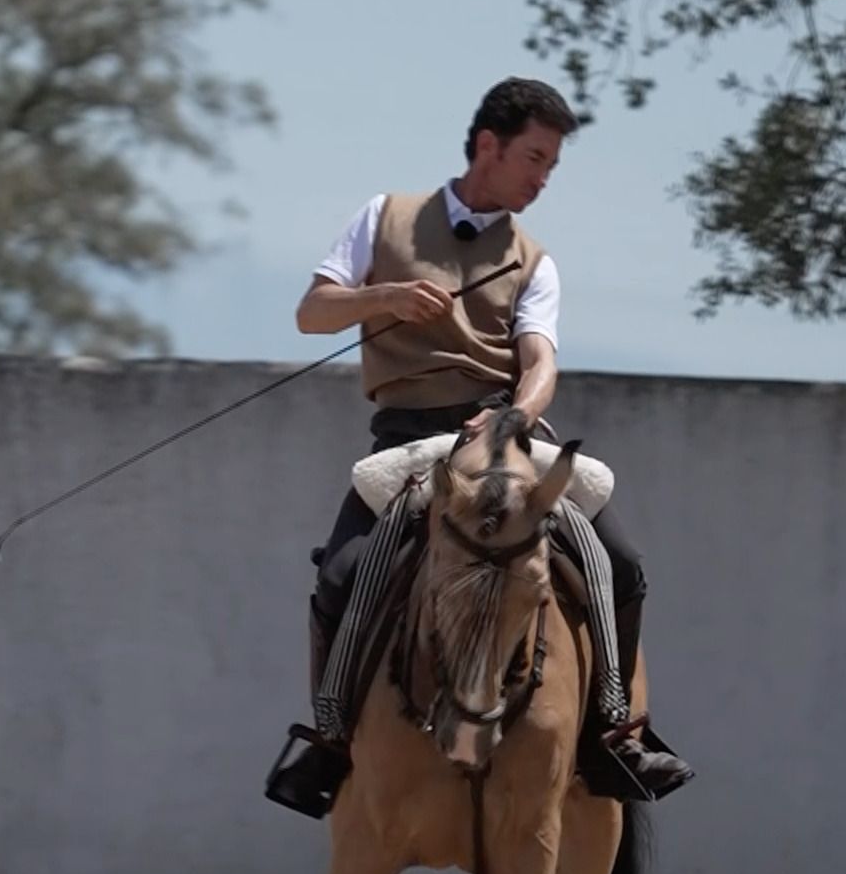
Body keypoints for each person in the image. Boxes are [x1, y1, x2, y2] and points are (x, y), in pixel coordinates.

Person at [263, 76, 694, 819]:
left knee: (617, 561)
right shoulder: (385, 217)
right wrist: (385, 299)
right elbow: (311, 313)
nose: (542, 178)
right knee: (342, 573)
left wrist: (516, 418)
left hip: (499, 436)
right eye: (534, 158)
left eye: (551, 165)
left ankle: (615, 732)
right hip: (406, 441)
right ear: (487, 145)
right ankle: (330, 739)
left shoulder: (535, 260)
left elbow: (540, 364)